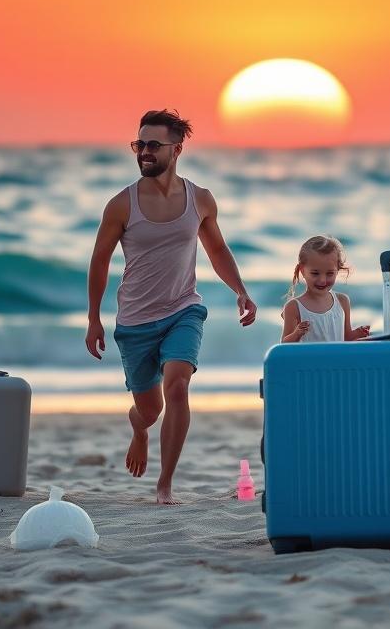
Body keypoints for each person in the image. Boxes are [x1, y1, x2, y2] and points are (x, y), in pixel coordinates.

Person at [84, 109, 257, 504]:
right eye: (138, 144)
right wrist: (93, 319)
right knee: (149, 410)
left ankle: (165, 485)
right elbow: (99, 262)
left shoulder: (200, 199)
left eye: (153, 145)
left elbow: (216, 248)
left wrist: (241, 290)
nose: (144, 152)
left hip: (184, 309)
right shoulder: (121, 205)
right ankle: (139, 428)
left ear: (176, 150)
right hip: (135, 322)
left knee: (178, 386)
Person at [281, 235, 370, 343]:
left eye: (329, 273)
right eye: (315, 273)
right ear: (302, 271)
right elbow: (284, 345)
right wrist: (297, 334)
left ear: (337, 270)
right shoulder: (293, 307)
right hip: (309, 360)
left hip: (338, 360)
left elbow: (346, 337)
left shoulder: (342, 301)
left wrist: (359, 333)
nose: (322, 280)